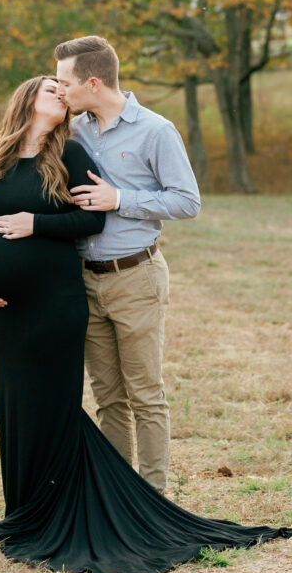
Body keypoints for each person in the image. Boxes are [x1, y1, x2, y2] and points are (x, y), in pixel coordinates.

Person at [0, 74, 292, 573]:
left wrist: (35, 225)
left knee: (79, 400)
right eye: (50, 89)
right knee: (18, 401)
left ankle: (132, 500)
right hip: (3, 308)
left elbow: (92, 219)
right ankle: (24, 511)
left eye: (65, 87)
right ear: (25, 98)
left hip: (61, 300)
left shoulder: (72, 151)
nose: (61, 94)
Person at [54, 35, 198, 493]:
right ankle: (119, 500)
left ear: (92, 82)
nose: (59, 91)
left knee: (146, 396)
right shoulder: (73, 130)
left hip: (136, 277)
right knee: (108, 398)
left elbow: (187, 202)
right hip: (85, 281)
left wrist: (120, 199)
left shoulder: (156, 131)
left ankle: (154, 500)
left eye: (64, 82)